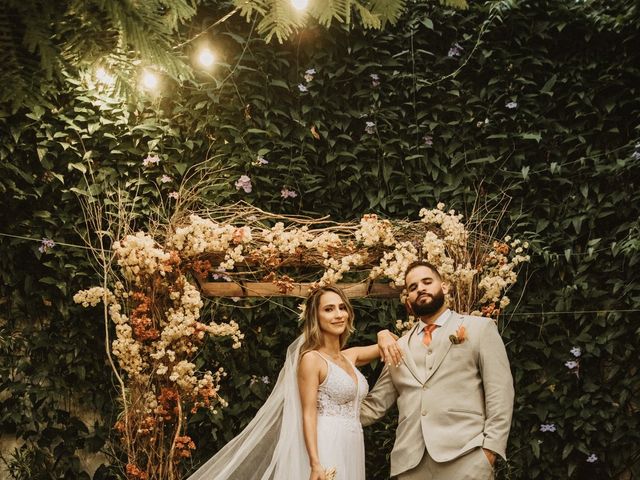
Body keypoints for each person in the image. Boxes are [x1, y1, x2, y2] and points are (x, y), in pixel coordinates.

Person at [186, 285, 401, 480]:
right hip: (326, 442)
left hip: (352, 443)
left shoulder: (350, 356)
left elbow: (392, 343)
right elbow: (307, 413)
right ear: (315, 317)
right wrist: (315, 463)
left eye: (342, 308)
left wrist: (383, 333)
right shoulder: (311, 360)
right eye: (329, 309)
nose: (338, 315)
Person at [360, 261, 515, 480]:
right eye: (412, 287)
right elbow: (375, 406)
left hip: (466, 457)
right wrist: (325, 412)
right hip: (409, 465)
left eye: (426, 282)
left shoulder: (480, 329)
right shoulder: (399, 347)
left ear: (444, 287)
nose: (420, 288)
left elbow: (500, 392)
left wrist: (490, 450)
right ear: (408, 300)